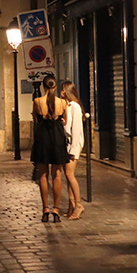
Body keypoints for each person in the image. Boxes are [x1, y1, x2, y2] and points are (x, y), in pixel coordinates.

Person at [31, 75, 69, 223]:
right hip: (57, 138)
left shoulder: (37, 101)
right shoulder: (62, 102)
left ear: (43, 87)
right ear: (54, 87)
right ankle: (57, 209)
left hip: (43, 138)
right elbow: (64, 120)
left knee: (43, 174)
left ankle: (45, 208)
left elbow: (35, 118)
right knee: (57, 175)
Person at [61, 81, 85, 220]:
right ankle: (71, 205)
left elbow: (76, 130)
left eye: (63, 90)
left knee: (70, 174)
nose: (61, 92)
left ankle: (78, 205)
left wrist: (73, 149)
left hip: (73, 145)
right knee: (67, 174)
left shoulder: (74, 106)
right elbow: (68, 127)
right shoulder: (68, 106)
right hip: (68, 144)